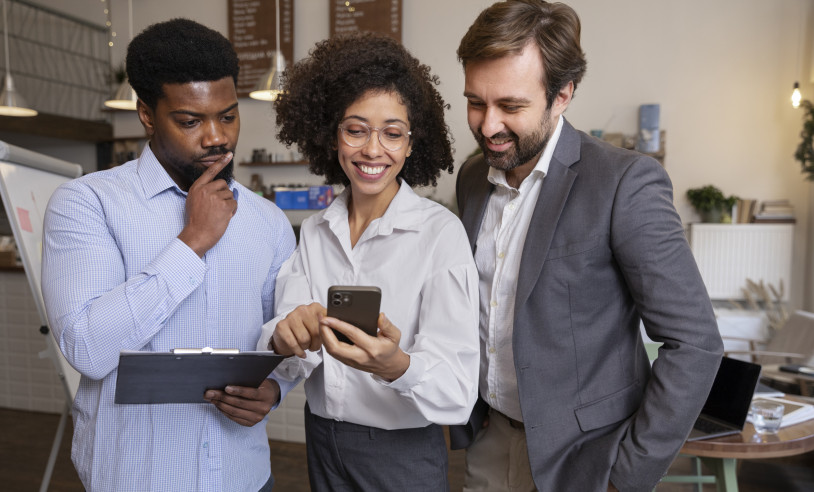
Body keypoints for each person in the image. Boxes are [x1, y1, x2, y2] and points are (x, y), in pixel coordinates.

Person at [448, 1, 725, 491]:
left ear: (563, 95)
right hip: (490, 443)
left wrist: (627, 475)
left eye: (511, 106)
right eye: (475, 101)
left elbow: (695, 343)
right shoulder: (472, 178)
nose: (488, 126)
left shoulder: (625, 183)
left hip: (588, 463)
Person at [41, 19, 296, 492]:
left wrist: (277, 387)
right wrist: (192, 241)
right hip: (136, 477)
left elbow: (282, 336)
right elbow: (88, 350)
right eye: (190, 121)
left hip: (241, 475)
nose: (216, 137)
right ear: (146, 114)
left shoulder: (267, 221)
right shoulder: (86, 204)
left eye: (228, 115)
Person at [256, 32, 480, 491]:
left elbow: (459, 391)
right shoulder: (315, 231)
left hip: (402, 455)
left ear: (412, 144)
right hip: (320, 441)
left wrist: (396, 365)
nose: (373, 150)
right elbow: (286, 350)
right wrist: (285, 334)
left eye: (392, 133)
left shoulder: (440, 235)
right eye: (355, 129)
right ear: (331, 134)